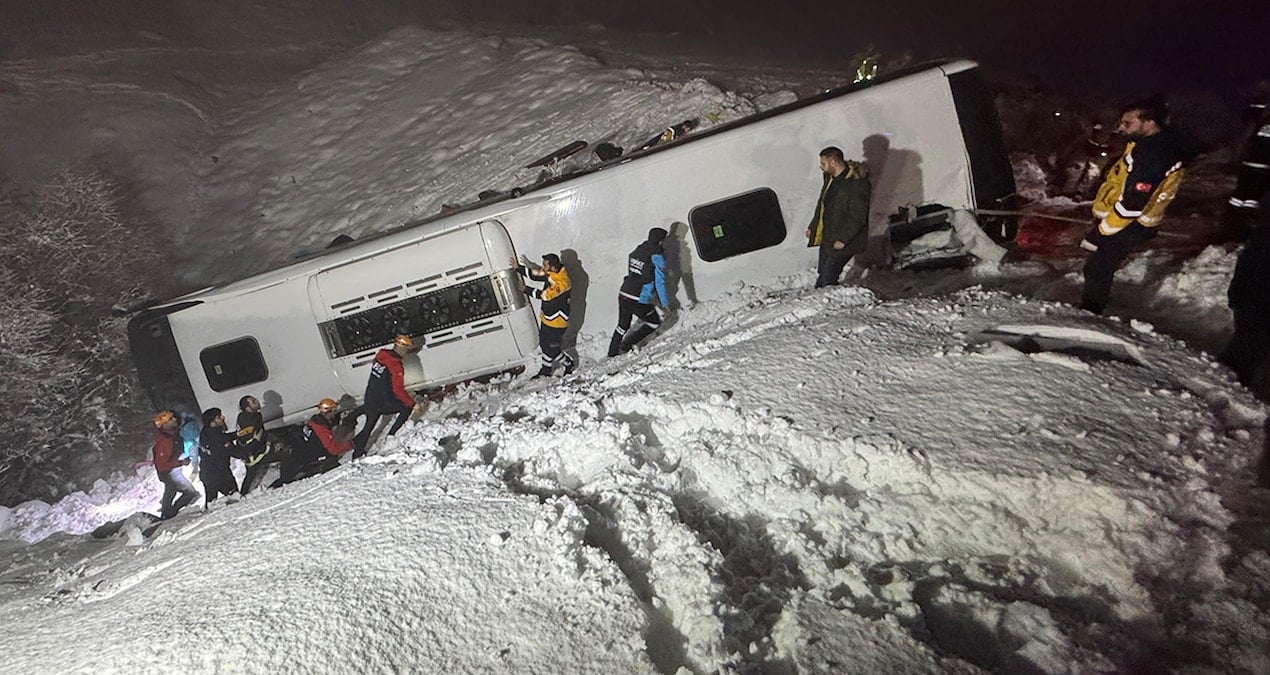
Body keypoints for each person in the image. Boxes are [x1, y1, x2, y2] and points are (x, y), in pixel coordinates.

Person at [1079, 98, 1196, 314]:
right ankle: (1090, 310)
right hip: (1125, 219)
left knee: (1098, 267)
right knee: (1098, 266)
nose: (1120, 128)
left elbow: (1134, 202)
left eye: (1127, 123)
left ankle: (1089, 316)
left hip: (1132, 222)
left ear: (1149, 122)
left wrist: (1101, 232)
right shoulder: (1150, 144)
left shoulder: (1154, 153)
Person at [1222, 191, 1270, 403]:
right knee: (1247, 351)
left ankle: (1230, 383)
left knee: (1246, 348)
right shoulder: (1262, 243)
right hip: (1257, 307)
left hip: (1250, 303)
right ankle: (1230, 389)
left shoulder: (1260, 239)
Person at [804, 146, 871, 288]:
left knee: (828, 276)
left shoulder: (857, 183)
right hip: (828, 237)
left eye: (823, 163)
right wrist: (813, 226)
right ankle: (822, 299)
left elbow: (858, 216)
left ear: (833, 162)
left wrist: (843, 239)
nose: (820, 167)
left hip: (843, 240)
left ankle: (828, 302)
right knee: (823, 273)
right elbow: (822, 205)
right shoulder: (830, 179)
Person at [353, 334, 421, 458]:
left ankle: (357, 453)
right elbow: (398, 389)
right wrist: (413, 404)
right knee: (406, 407)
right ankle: (392, 436)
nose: (406, 353)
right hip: (382, 401)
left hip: (370, 398)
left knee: (368, 427)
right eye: (406, 350)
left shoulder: (381, 355)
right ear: (403, 349)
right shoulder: (396, 366)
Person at [609, 227, 671, 357]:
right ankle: (627, 345)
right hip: (638, 298)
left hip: (624, 291)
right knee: (654, 322)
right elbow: (660, 282)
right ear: (660, 241)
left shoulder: (638, 250)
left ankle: (612, 353)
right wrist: (665, 304)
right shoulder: (656, 257)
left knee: (622, 326)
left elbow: (633, 272)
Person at [512, 252, 575, 377]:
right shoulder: (552, 272)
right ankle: (547, 370)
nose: (542, 267)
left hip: (557, 321)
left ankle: (565, 364)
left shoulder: (562, 283)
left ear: (552, 267)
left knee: (551, 347)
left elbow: (545, 296)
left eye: (545, 265)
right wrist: (518, 268)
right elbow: (537, 274)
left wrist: (526, 290)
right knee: (545, 344)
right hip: (547, 318)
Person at [152, 410, 199, 520]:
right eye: (171, 419)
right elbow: (162, 463)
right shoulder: (164, 441)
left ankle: (166, 514)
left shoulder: (171, 435)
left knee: (170, 490)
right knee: (189, 492)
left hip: (171, 470)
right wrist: (180, 462)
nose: (175, 420)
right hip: (169, 471)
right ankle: (170, 514)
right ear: (164, 424)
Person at [235, 395, 283, 495]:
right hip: (254, 453)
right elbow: (251, 437)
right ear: (247, 407)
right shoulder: (245, 419)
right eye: (253, 401)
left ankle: (243, 493)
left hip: (258, 450)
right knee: (286, 454)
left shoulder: (256, 415)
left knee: (251, 473)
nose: (257, 401)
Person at [198, 408, 239, 507]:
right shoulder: (214, 436)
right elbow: (225, 448)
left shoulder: (207, 432)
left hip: (209, 474)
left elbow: (223, 437)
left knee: (212, 502)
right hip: (219, 474)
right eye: (219, 417)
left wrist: (237, 434)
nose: (222, 418)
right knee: (234, 497)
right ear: (212, 421)